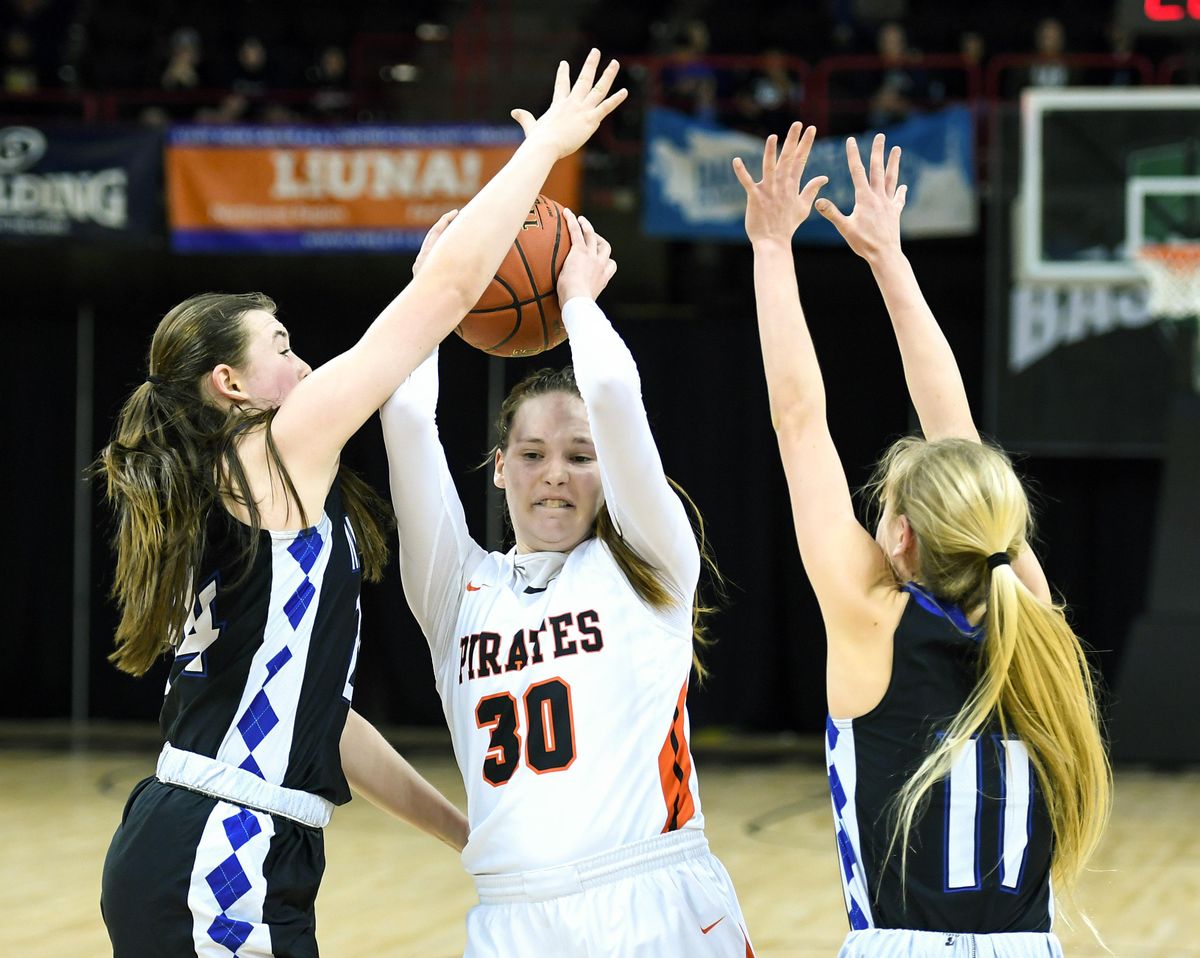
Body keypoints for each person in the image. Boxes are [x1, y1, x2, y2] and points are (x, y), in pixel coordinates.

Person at [95, 49, 626, 958]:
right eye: (281, 347)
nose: (305, 364)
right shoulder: (268, 450)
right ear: (231, 384)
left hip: (224, 841)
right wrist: (543, 149)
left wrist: (468, 835)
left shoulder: (255, 491)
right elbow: (449, 293)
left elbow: (326, 722)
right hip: (222, 849)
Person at [733, 125, 1111, 955]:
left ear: (900, 536)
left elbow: (799, 422)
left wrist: (770, 249)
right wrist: (889, 261)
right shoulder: (1034, 614)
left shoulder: (871, 621)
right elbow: (959, 434)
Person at [379, 209, 755, 957]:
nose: (555, 473)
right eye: (532, 454)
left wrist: (578, 297)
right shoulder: (458, 591)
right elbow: (405, 414)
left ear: (609, 469)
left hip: (653, 903)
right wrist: (435, 287)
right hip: (509, 920)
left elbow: (612, 392)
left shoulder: (649, 562)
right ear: (499, 468)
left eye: (581, 456)